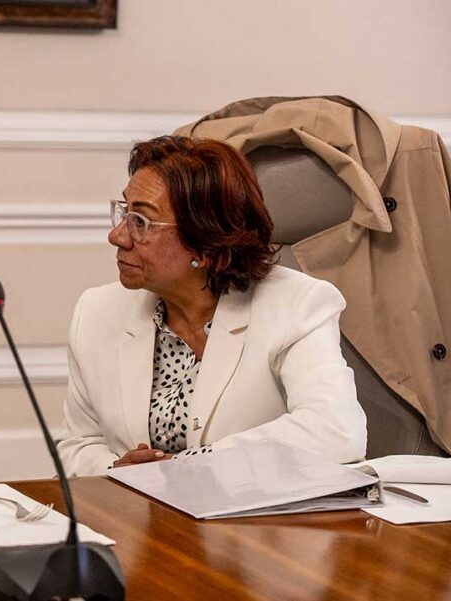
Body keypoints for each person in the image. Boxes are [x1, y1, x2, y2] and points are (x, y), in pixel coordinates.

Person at [57, 135, 367, 476]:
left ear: (206, 245)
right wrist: (116, 470)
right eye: (124, 212)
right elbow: (79, 445)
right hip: (135, 509)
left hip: (253, 508)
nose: (117, 235)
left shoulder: (297, 305)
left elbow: (336, 432)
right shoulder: (97, 311)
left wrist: (187, 467)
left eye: (141, 222)